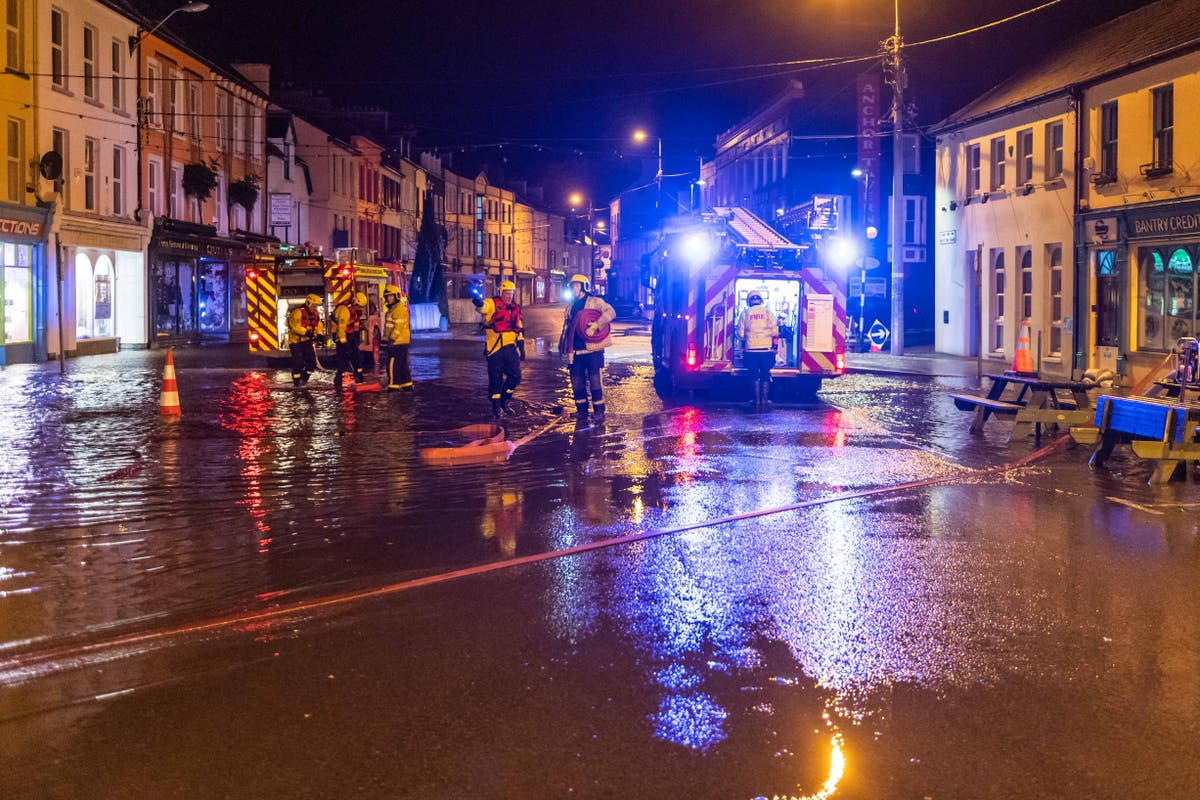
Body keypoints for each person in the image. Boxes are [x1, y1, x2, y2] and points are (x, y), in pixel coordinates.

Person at [559, 274, 615, 419]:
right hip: (576, 351)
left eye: (577, 285)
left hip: (593, 350)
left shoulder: (595, 302)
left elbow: (611, 312)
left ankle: (599, 411)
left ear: (584, 287)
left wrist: (597, 324)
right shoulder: (570, 306)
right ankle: (582, 410)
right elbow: (567, 329)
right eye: (573, 286)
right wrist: (564, 347)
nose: (574, 288)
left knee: (595, 381)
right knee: (576, 382)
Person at [473, 279, 525, 417]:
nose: (509, 296)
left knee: (515, 377)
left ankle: (504, 400)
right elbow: (483, 307)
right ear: (501, 292)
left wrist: (522, 346)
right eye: (507, 293)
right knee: (495, 379)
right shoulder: (492, 303)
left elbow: (518, 329)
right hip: (494, 349)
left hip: (509, 348)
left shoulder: (515, 308)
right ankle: (496, 407)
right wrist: (479, 303)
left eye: (511, 293)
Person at [738, 289, 780, 409]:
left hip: (750, 350)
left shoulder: (745, 313)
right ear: (760, 300)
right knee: (766, 373)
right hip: (766, 350)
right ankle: (765, 400)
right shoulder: (767, 312)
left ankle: (756, 400)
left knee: (753, 375)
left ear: (749, 301)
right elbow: (775, 331)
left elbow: (740, 334)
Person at [332, 290, 368, 391]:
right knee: (342, 361)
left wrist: (356, 336)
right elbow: (341, 327)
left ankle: (359, 379)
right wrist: (343, 342)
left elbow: (354, 325)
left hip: (350, 336)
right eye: (358, 306)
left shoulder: (353, 310)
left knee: (357, 357)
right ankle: (338, 383)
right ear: (355, 303)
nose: (359, 308)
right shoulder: (344, 310)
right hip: (342, 337)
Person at [286, 293, 324, 387]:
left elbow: (319, 325)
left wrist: (319, 334)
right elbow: (295, 327)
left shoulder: (316, 314)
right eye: (314, 306)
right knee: (298, 362)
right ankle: (296, 383)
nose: (315, 308)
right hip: (296, 341)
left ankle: (304, 378)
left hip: (307, 341)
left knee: (312, 362)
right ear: (308, 303)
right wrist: (306, 332)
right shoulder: (297, 313)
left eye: (316, 306)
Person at [383, 284, 413, 392]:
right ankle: (406, 384)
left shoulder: (398, 309)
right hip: (400, 342)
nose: (389, 298)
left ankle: (393, 386)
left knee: (392, 365)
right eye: (387, 296)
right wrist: (384, 339)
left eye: (391, 296)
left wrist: (391, 339)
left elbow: (398, 327)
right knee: (402, 364)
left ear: (396, 296)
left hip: (397, 342)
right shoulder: (395, 308)